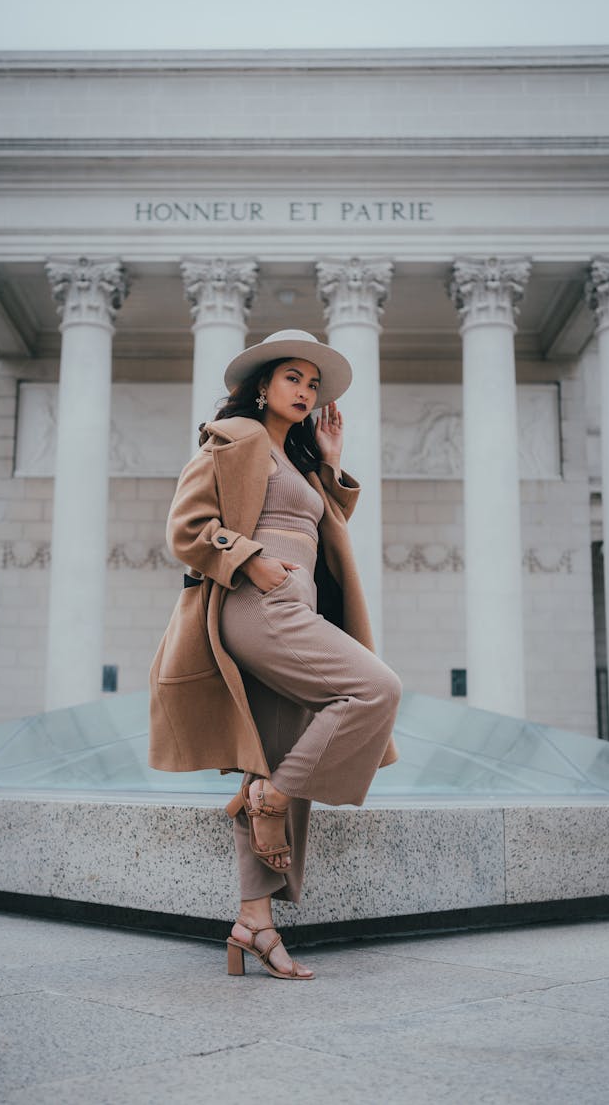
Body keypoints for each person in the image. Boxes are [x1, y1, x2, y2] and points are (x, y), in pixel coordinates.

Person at [148, 329, 401, 980]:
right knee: (374, 688)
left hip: (299, 610)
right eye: (294, 376)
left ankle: (254, 921)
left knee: (273, 756)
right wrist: (253, 563)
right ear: (262, 385)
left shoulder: (299, 460)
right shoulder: (236, 440)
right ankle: (271, 798)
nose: (306, 390)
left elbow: (317, 529)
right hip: (260, 609)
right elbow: (185, 528)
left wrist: (331, 464)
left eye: (313, 383)